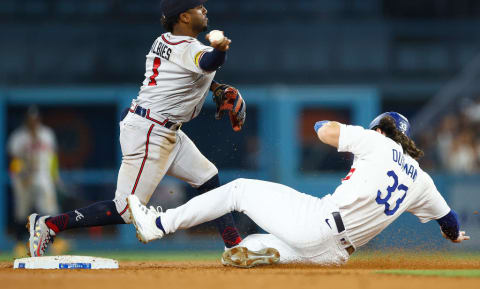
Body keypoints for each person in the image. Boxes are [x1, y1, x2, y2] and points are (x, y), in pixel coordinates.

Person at [27, 0, 246, 257]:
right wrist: (221, 49)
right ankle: (49, 224)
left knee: (208, 178)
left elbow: (189, 74)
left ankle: (235, 247)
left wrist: (216, 89)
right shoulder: (186, 47)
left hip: (163, 129)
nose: (205, 10)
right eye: (198, 7)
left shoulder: (167, 40)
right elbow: (208, 62)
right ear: (184, 17)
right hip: (151, 132)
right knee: (126, 210)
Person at [127, 112, 470, 268]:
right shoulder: (422, 180)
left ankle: (159, 225)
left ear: (381, 129)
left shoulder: (374, 141)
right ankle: (260, 252)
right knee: (242, 250)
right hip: (334, 256)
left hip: (318, 222)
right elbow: (449, 222)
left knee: (239, 190)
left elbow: (323, 130)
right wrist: (454, 237)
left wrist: (348, 132)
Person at [7, 106, 60, 256]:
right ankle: (18, 243)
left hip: (43, 175)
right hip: (24, 177)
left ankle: (55, 243)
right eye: (30, 120)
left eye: (35, 119)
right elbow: (14, 160)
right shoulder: (18, 137)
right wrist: (20, 176)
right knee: (21, 210)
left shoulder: (47, 134)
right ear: (26, 120)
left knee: (50, 209)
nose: (33, 122)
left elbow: (53, 158)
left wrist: (54, 175)